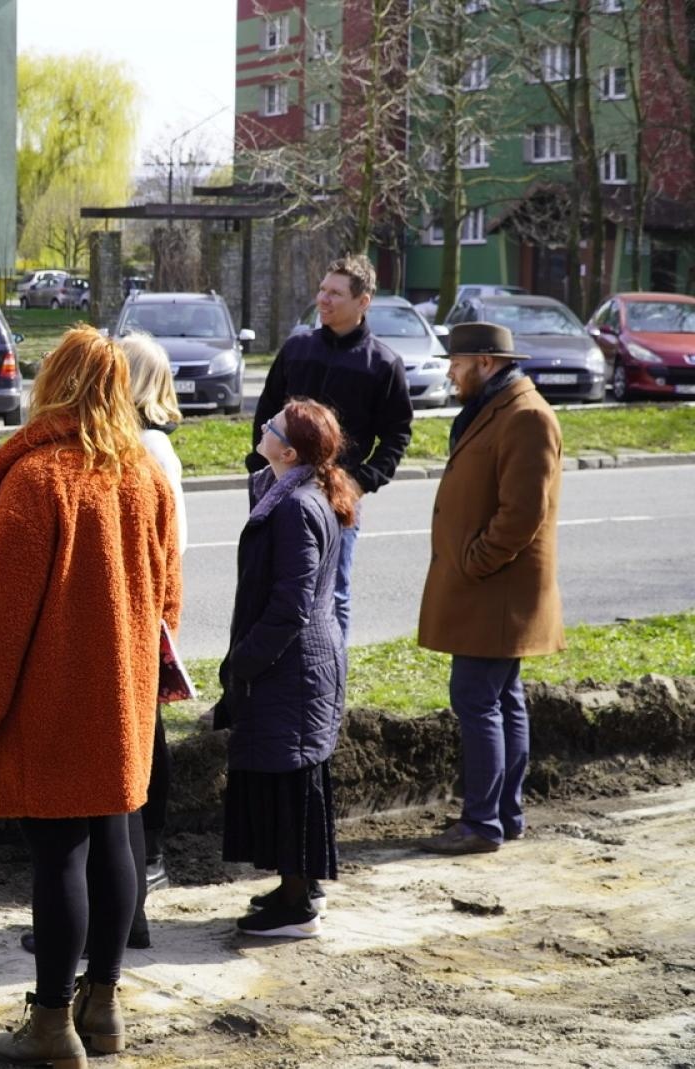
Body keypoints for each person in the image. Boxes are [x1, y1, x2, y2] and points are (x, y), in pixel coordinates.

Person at [0, 326, 183, 1067]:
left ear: (55, 384)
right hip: (122, 698)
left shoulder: (38, 480)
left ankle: (50, 1025)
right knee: (112, 843)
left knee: (59, 857)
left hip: (53, 703)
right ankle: (103, 1007)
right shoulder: (142, 474)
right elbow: (168, 595)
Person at [418, 323, 563, 855]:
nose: (450, 373)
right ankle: (505, 813)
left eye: (456, 363)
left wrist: (476, 560)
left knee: (478, 699)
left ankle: (483, 823)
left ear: (484, 361)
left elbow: (523, 511)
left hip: (497, 590)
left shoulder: (525, 415)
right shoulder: (496, 406)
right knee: (502, 699)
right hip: (490, 589)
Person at [216, 398, 356, 940]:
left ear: (290, 450)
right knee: (290, 773)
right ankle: (297, 888)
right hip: (296, 665)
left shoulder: (297, 505)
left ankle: (298, 909)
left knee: (290, 778)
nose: (264, 427)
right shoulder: (291, 490)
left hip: (291, 667)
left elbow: (292, 603)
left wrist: (246, 659)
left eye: (272, 426)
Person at [249, 253, 413, 642]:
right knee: (270, 583)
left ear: (363, 301)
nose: (323, 299)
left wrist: (360, 483)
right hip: (278, 488)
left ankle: (328, 674)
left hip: (337, 497)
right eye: (322, 290)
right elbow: (266, 413)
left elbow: (397, 435)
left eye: (335, 293)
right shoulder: (297, 349)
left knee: (332, 592)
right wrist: (258, 467)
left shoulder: (383, 364)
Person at [119, 332, 189, 937]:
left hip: (141, 611)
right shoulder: (140, 443)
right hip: (143, 609)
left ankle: (150, 858)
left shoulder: (150, 448)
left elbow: (170, 541)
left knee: (143, 738)